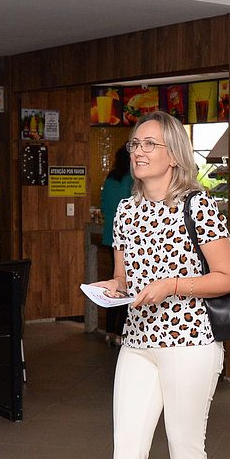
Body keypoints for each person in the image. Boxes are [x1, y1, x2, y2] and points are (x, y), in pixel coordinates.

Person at [77, 111, 230, 459]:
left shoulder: (198, 205)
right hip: (138, 343)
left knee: (185, 448)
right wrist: (112, 288)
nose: (138, 151)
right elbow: (126, 278)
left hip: (190, 343)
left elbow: (227, 278)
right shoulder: (125, 210)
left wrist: (172, 285)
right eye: (134, 144)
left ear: (173, 154)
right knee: (126, 451)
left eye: (150, 144)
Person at [99, 145, 134, 344]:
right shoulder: (133, 179)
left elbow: (104, 207)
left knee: (115, 282)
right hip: (128, 240)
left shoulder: (110, 178)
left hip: (109, 238)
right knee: (126, 286)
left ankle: (109, 331)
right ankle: (121, 333)